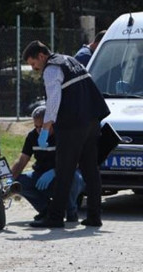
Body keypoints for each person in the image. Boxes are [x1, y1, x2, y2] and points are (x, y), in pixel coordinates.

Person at [23, 40, 110, 228]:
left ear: (41, 56)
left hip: (72, 124)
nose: (34, 68)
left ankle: (55, 218)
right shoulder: (71, 60)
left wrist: (45, 130)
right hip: (92, 120)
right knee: (90, 170)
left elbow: (53, 102)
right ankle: (95, 217)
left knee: (64, 171)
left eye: (33, 64)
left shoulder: (51, 69)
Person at [10, 106, 84, 222]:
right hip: (40, 175)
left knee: (73, 178)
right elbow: (22, 160)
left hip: (63, 173)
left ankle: (71, 212)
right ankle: (46, 210)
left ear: (50, 123)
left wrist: (54, 172)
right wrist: (9, 181)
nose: (39, 130)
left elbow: (73, 162)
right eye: (36, 127)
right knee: (19, 182)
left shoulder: (62, 135)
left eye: (42, 127)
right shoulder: (32, 136)